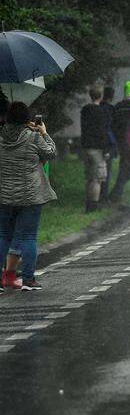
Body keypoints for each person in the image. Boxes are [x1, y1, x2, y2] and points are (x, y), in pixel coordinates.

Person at [0, 102, 57, 291]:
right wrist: (44, 132)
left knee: (3, 236)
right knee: (29, 237)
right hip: (30, 196)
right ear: (27, 119)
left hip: (4, 195)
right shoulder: (33, 138)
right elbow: (51, 153)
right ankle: (28, 279)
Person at [80, 86, 111, 213]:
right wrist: (106, 149)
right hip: (97, 149)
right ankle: (93, 206)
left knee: (89, 178)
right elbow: (102, 132)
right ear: (101, 96)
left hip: (86, 147)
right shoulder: (101, 112)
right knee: (97, 179)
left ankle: (88, 203)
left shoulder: (85, 110)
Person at [109, 81, 130, 205]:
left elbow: (113, 124)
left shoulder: (118, 107)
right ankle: (116, 194)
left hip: (121, 142)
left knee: (125, 166)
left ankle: (116, 194)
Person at [98, 86, 116, 203]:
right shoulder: (111, 109)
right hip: (108, 143)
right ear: (112, 96)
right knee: (107, 172)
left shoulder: (98, 108)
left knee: (97, 172)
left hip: (97, 143)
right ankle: (103, 197)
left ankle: (98, 195)